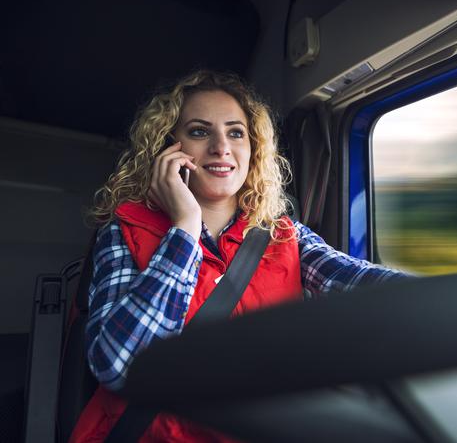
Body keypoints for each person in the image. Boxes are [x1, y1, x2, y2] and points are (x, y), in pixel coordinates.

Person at [70, 70, 406, 442]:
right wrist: (185, 228)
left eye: (236, 132)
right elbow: (121, 367)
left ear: (254, 149)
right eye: (199, 131)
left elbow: (356, 280)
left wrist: (449, 301)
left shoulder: (283, 235)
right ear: (167, 149)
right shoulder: (124, 230)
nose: (221, 147)